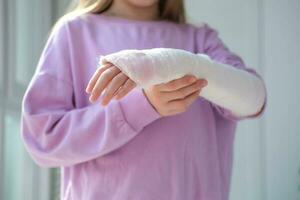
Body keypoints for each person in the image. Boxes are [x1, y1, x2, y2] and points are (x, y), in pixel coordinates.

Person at [21, 0, 267, 199]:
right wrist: (142, 106)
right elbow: (44, 138)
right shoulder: (74, 32)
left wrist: (183, 65)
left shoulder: (200, 39)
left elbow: (253, 99)